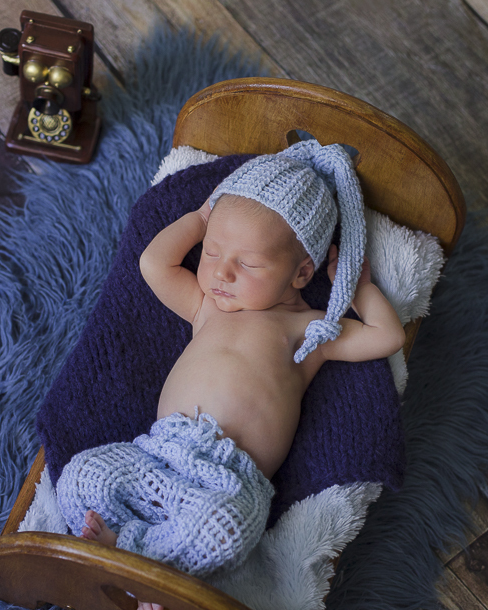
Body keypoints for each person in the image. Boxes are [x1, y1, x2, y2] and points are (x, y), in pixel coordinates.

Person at [55, 140, 405, 603]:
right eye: (212, 252)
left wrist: (357, 288)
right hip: (157, 455)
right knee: (82, 475)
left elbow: (385, 336)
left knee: (225, 530)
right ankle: (132, 556)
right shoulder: (206, 309)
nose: (221, 273)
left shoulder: (308, 331)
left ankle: (135, 563)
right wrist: (201, 218)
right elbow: (153, 263)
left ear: (302, 273)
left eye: (248, 263)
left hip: (229, 482)